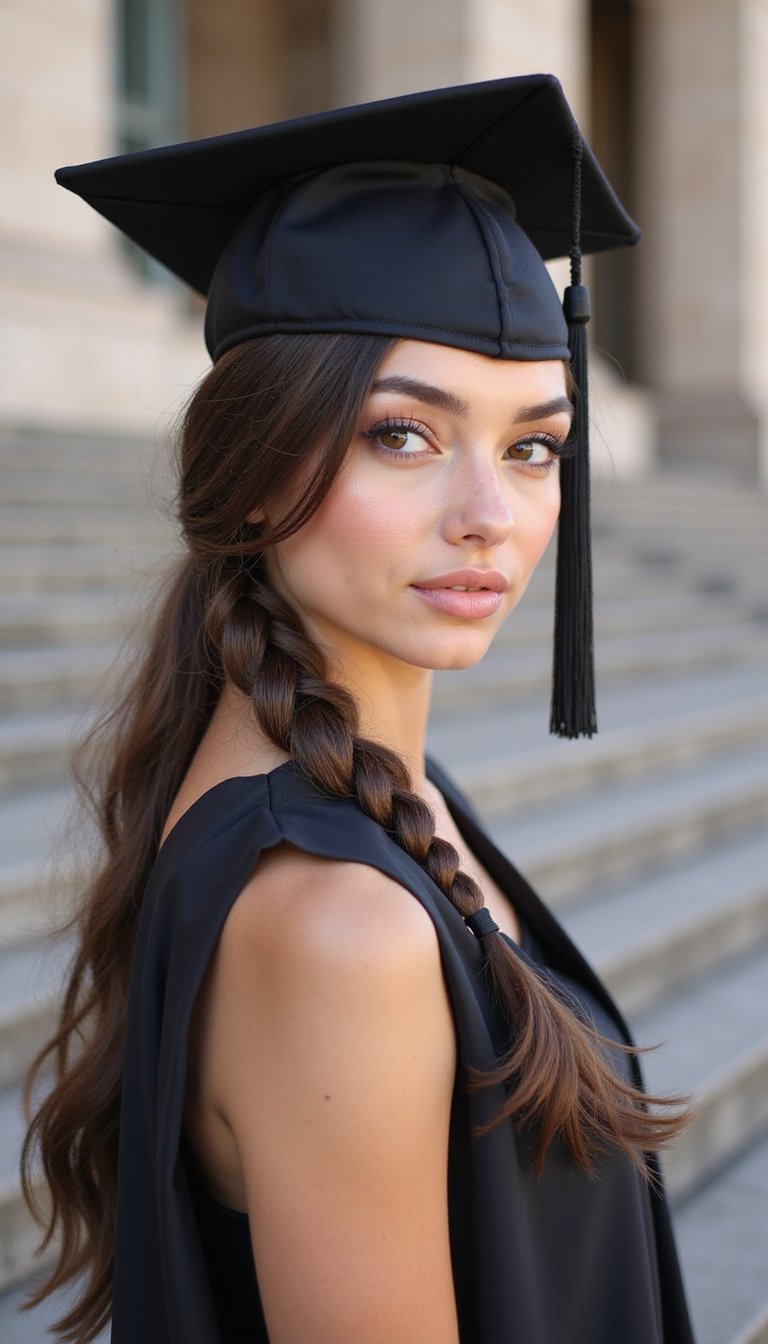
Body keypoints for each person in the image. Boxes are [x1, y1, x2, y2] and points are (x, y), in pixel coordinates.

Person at [22, 75, 695, 1343]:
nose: (490, 516)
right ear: (254, 460)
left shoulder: (377, 804)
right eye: (404, 435)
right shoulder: (339, 928)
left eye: (534, 446)